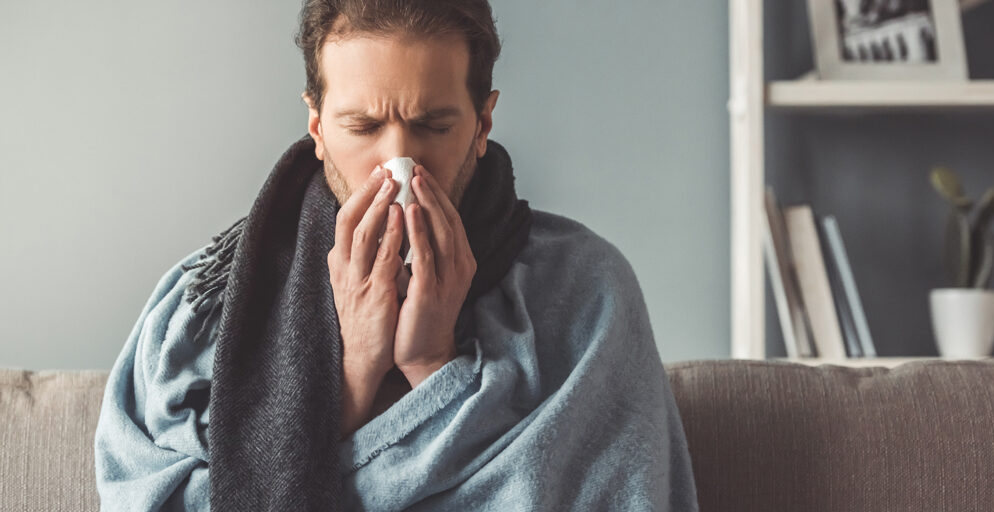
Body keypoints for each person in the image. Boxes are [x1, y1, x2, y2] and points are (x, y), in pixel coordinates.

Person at [94, 1, 699, 510]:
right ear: (317, 125)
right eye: (362, 126)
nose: (398, 166)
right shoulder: (202, 305)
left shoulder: (586, 293)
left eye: (434, 127)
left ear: (483, 122)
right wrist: (351, 374)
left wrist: (433, 366)